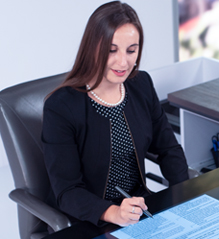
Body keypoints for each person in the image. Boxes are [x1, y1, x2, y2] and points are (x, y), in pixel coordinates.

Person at [42, 1, 189, 227]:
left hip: (136, 208)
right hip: (89, 219)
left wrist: (184, 197)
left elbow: (168, 149)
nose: (123, 62)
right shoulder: (60, 107)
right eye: (112, 50)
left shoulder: (141, 84)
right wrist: (113, 213)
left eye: (132, 50)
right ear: (92, 48)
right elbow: (68, 191)